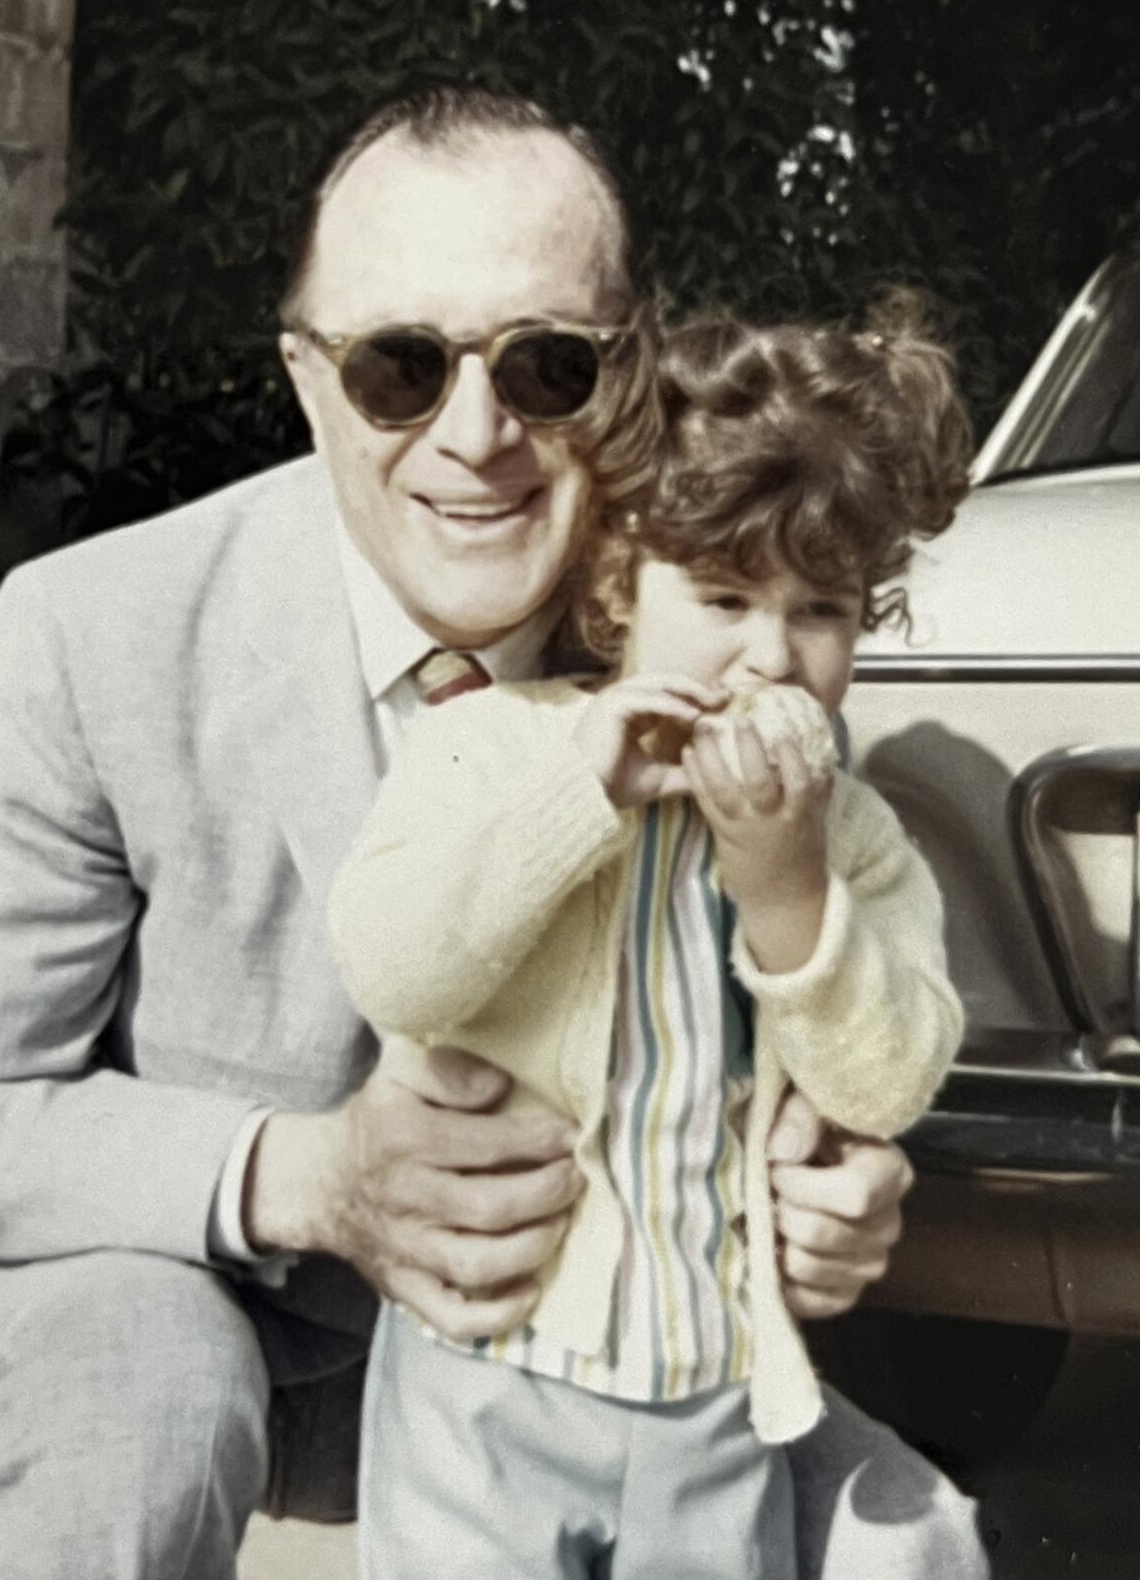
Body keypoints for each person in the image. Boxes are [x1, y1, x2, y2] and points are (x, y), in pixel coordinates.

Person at [0, 88, 989, 1579]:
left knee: (911, 1548)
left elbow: (816, 999)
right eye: (399, 367)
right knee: (144, 1424)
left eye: (547, 364)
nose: (478, 437)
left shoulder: (722, 618)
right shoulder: (96, 638)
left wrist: (834, 1168)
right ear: (308, 378)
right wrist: (311, 1175)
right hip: (208, 1304)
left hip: (588, 1340)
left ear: (632, 368)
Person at [330, 303, 972, 1577]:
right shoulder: (499, 743)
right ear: (624, 581)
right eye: (722, 595)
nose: (769, 655)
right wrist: (579, 795)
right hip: (483, 1377)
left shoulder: (846, 835)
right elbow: (390, 964)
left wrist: (787, 894)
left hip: (715, 1391)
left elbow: (890, 1078)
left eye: (822, 612)